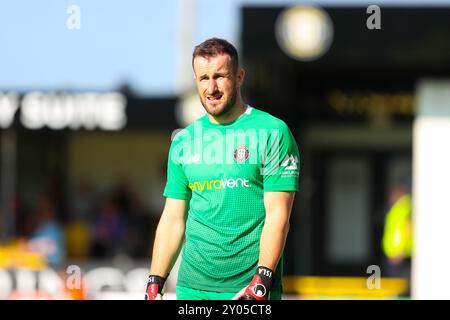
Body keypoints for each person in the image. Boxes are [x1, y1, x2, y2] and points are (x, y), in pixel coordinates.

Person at [145, 38, 300, 300]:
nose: (212, 87)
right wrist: (154, 282)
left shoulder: (272, 132)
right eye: (203, 78)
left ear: (239, 77)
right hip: (191, 290)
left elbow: (278, 216)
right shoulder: (183, 141)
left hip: (248, 291)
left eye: (220, 76)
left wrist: (261, 280)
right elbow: (173, 218)